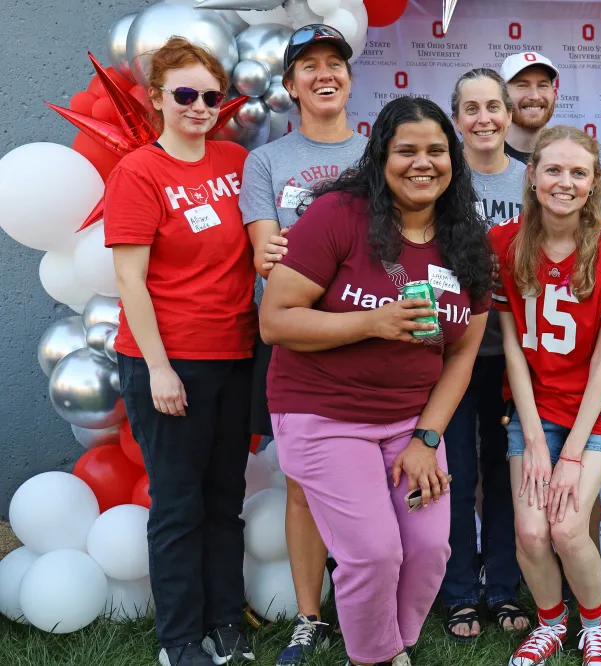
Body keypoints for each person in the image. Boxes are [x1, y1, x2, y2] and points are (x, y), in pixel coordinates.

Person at [259, 96, 493, 666]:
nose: (423, 162)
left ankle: (393, 646)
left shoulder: (467, 237)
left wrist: (427, 439)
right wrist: (373, 322)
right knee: (372, 553)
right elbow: (276, 320)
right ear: (380, 157)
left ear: (453, 160)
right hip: (323, 415)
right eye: (405, 150)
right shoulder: (341, 215)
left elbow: (462, 354)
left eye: (437, 150)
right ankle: (375, 658)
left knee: (429, 547)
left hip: (411, 424)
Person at [105, 37, 256, 666]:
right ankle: (179, 639)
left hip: (235, 354)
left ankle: (226, 622)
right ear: (159, 98)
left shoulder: (236, 160)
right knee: (178, 503)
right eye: (185, 94)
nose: (199, 106)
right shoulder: (140, 172)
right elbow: (129, 281)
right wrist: (161, 368)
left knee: (226, 497)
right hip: (167, 361)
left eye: (210, 96)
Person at [493, 125, 601, 666]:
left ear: (593, 184)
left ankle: (595, 622)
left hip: (597, 408)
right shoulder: (505, 243)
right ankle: (550, 623)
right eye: (554, 170)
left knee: (565, 525)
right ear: (532, 175)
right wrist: (535, 441)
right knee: (530, 531)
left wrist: (570, 454)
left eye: (578, 173)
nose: (565, 182)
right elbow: (513, 350)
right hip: (535, 404)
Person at [238, 24, 367, 665]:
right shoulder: (265, 161)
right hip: (295, 340)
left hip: (372, 337)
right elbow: (268, 253)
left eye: (334, 63)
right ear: (289, 86)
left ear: (348, 77)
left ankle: (367, 609)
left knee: (377, 481)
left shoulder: (379, 154)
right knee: (303, 486)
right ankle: (311, 617)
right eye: (308, 66)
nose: (324, 73)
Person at [439, 67, 531, 642]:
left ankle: (502, 585)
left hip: (514, 355)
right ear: (456, 120)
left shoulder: (531, 181)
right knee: (456, 471)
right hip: (451, 357)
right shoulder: (443, 182)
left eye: (493, 106)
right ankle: (457, 592)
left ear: (508, 113)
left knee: (505, 472)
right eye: (470, 109)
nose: (484, 119)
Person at [500, 51, 559, 163]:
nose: (535, 96)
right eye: (522, 86)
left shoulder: (570, 154)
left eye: (542, 85)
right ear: (503, 95)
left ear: (555, 94)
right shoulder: (480, 154)